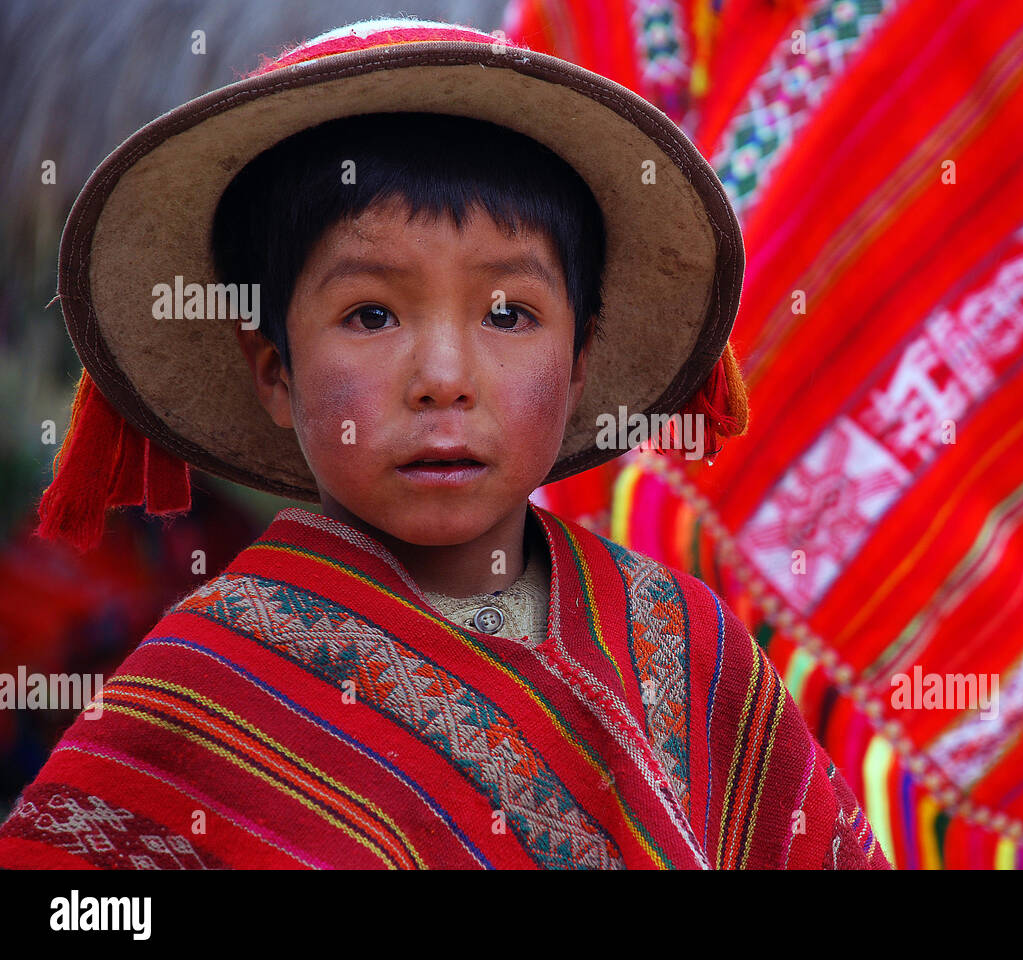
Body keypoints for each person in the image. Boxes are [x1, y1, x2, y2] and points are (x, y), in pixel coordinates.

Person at [0, 18, 893, 870]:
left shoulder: (688, 648)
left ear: (580, 360)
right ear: (276, 371)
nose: (442, 376)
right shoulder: (202, 695)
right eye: (371, 314)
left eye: (509, 314)